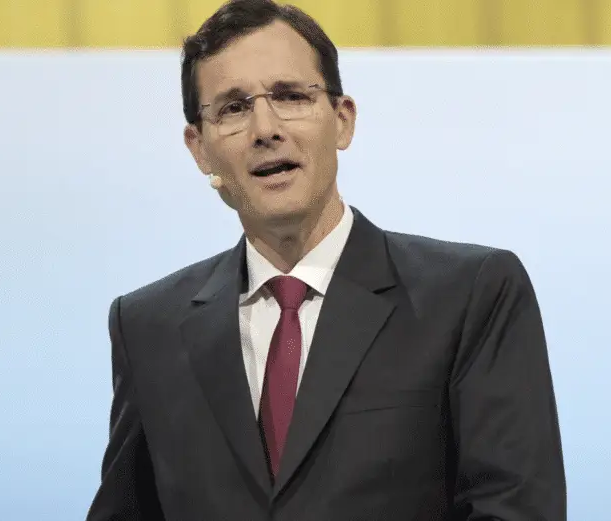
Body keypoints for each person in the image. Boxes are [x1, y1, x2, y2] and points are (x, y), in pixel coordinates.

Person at [86, 0, 566, 519]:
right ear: (198, 147)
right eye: (233, 108)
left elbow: (513, 509)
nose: (265, 128)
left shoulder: (470, 296)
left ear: (342, 120)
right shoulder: (147, 328)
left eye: (290, 96)